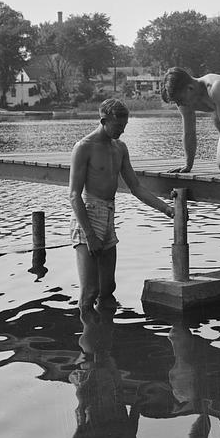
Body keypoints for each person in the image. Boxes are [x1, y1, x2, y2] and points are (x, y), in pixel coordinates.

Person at [69, 98, 174, 310]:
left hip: (108, 213)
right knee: (90, 292)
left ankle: (106, 338)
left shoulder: (120, 148)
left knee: (108, 289)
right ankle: (88, 338)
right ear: (103, 120)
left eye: (124, 126)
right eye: (118, 126)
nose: (122, 131)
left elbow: (136, 187)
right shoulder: (83, 147)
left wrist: (167, 209)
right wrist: (89, 235)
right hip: (88, 216)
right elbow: (73, 195)